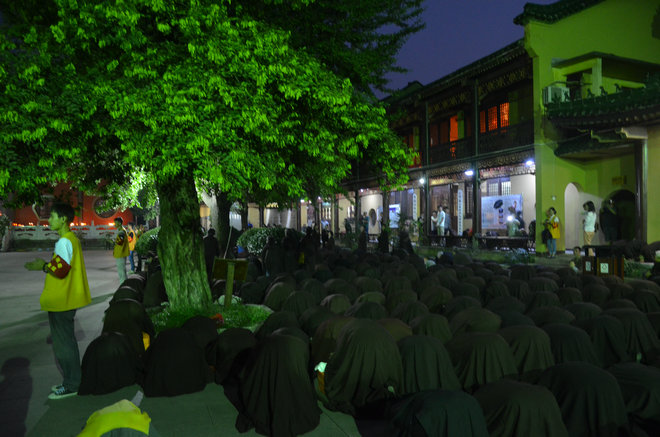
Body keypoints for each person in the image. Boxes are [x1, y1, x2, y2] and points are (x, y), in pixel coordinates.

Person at [24, 203, 91, 399]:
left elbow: (61, 270)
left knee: (63, 345)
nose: (49, 220)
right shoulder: (72, 239)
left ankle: (72, 385)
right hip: (66, 299)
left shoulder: (64, 241)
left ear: (63, 219)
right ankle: (72, 380)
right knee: (67, 342)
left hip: (61, 300)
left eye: (53, 216)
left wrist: (43, 266)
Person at [113, 217, 130, 284]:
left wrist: (113, 242)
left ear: (119, 223)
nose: (114, 224)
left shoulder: (121, 232)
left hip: (121, 253)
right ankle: (125, 284)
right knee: (122, 270)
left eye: (115, 223)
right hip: (120, 253)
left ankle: (123, 284)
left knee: (121, 271)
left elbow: (120, 242)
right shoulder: (121, 230)